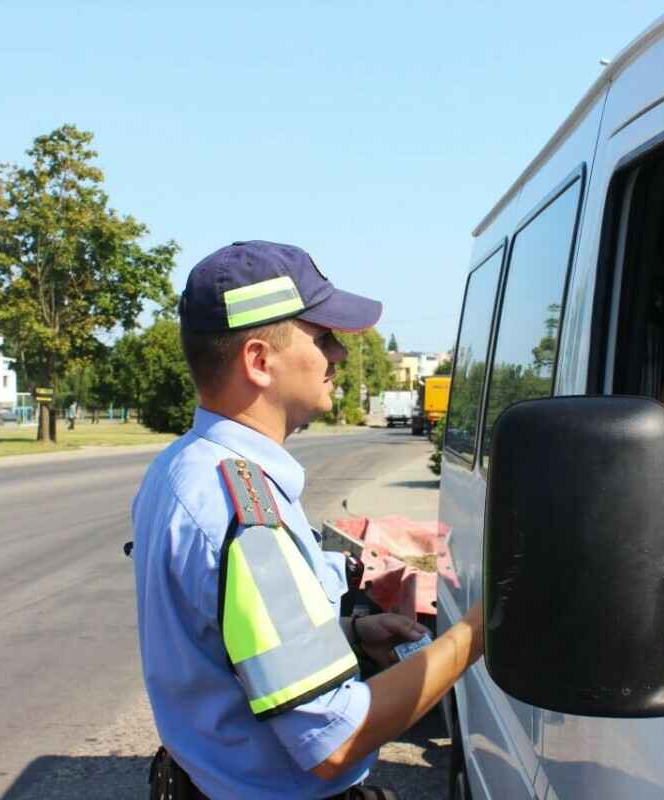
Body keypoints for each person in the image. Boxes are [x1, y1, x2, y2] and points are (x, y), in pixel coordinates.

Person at [132, 241, 485, 800]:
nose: (338, 355)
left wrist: (345, 634)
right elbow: (334, 740)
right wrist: (478, 632)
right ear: (258, 361)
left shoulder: (184, 465)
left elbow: (223, 643)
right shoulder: (245, 511)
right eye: (322, 339)